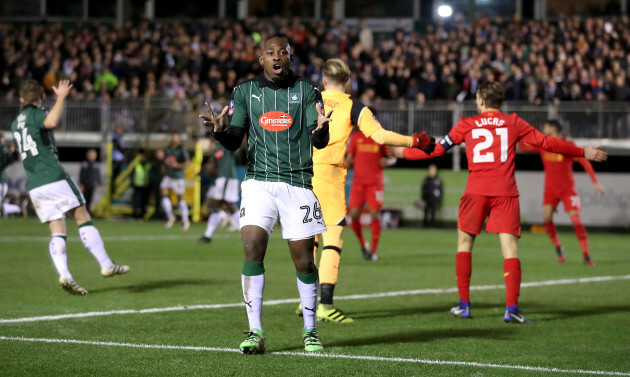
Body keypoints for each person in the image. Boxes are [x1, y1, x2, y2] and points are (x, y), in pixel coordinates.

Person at [392, 81, 607, 323]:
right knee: (510, 250)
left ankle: (464, 306)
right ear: (499, 102)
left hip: (476, 191)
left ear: (481, 101)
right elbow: (546, 142)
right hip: (505, 192)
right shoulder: (513, 122)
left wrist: (403, 152)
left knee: (464, 244)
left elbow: (438, 149)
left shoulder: (466, 125)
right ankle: (512, 309)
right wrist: (582, 152)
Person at [199, 36, 332, 354]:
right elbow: (235, 140)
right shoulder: (245, 92)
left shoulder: (307, 91)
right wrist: (219, 132)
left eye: (282, 52)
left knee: (303, 260)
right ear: (261, 59)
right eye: (270, 52)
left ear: (290, 57)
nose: (277, 57)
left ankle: (310, 330)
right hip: (258, 181)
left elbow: (319, 141)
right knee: (252, 246)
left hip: (297, 183)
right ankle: (254, 331)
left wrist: (324, 128)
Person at [300, 58, 434, 324]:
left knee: (309, 237)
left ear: (324, 80)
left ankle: (305, 301)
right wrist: (414, 140)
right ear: (348, 81)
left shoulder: (307, 99)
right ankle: (325, 305)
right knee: (333, 238)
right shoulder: (353, 106)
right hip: (330, 177)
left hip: (303, 174)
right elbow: (381, 136)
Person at [11, 79, 129, 295]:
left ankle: (65, 274)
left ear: (20, 99)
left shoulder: (15, 122)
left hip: (35, 184)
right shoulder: (37, 114)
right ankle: (106, 265)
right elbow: (51, 121)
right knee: (82, 215)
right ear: (41, 96)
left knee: (57, 230)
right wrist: (62, 97)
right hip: (53, 176)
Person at [519, 120, 604, 265]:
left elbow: (584, 160)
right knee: (546, 217)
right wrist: (518, 134)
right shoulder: (542, 144)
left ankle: (586, 255)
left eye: (545, 126)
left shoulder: (567, 145)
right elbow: (523, 146)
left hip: (567, 190)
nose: (543, 128)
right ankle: (558, 247)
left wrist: (594, 181)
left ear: (553, 129)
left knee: (576, 222)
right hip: (550, 190)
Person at [346, 129, 397, 261]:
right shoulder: (356, 137)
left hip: (375, 185)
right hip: (358, 184)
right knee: (354, 215)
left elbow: (393, 158)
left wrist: (387, 162)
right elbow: (349, 158)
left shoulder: (380, 136)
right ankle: (363, 244)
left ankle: (373, 251)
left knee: (375, 214)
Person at [199, 142, 240, 243]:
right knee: (227, 206)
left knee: (219, 205)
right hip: (225, 178)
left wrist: (205, 170)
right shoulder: (223, 146)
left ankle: (221, 220)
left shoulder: (223, 146)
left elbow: (211, 164)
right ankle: (208, 235)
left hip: (226, 178)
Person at [160, 132, 191, 230]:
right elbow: (165, 162)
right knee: (163, 191)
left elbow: (187, 163)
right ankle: (170, 216)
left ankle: (185, 221)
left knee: (180, 198)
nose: (174, 139)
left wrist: (176, 165)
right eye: (173, 137)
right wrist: (165, 164)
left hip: (178, 176)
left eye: (175, 138)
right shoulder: (167, 149)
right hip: (169, 175)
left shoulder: (182, 149)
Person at [0, 134, 19, 216]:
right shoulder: (2, 146)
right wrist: (13, 153)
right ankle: (17, 209)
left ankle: (17, 209)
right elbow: (10, 159)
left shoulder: (3, 147)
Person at [78, 148, 102, 213]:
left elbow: (98, 175)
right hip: (86, 184)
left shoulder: (96, 165)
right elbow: (82, 174)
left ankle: (88, 210)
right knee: (85, 198)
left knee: (90, 198)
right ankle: (84, 210)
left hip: (92, 184)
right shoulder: (85, 164)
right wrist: (81, 183)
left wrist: (99, 183)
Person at [132, 150, 152, 219]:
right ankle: (135, 215)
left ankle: (142, 215)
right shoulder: (137, 165)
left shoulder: (149, 165)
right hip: (137, 185)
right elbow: (132, 175)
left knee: (144, 202)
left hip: (146, 186)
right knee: (136, 202)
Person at [148, 149, 165, 219]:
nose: (159, 155)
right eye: (158, 153)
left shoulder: (166, 163)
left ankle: (165, 215)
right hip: (157, 186)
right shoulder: (154, 164)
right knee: (158, 201)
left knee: (164, 200)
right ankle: (158, 214)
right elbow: (151, 175)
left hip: (165, 186)